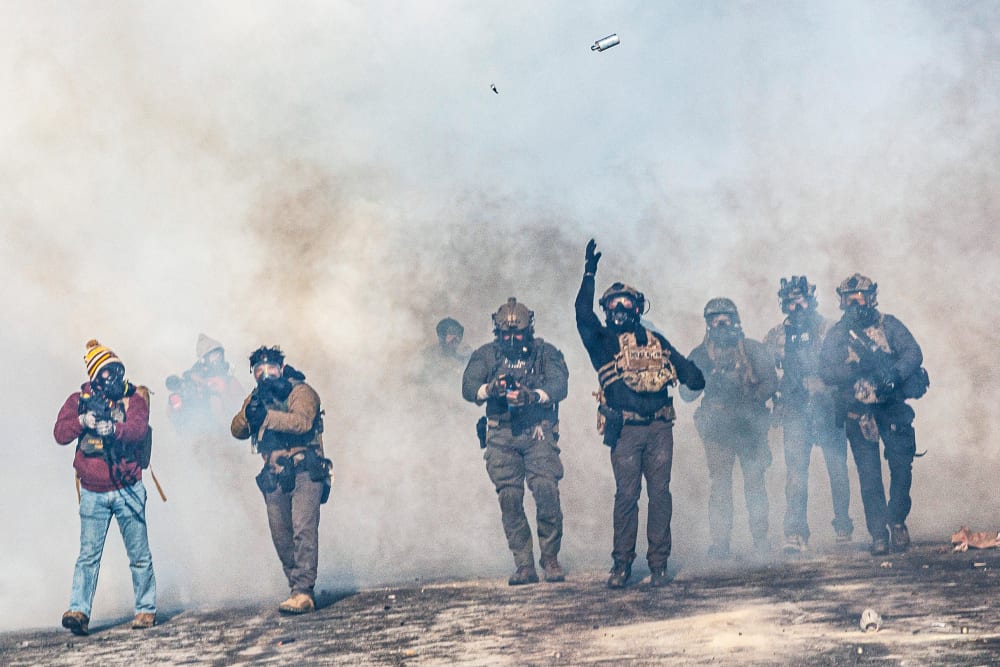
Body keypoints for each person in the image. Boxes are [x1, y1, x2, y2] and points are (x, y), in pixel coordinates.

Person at [576, 240, 705, 588]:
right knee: (627, 497)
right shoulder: (600, 341)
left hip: (660, 427)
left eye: (626, 303)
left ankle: (659, 564)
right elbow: (581, 315)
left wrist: (694, 372)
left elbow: (691, 375)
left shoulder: (655, 341)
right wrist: (589, 274)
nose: (619, 308)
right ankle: (622, 566)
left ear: (637, 307)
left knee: (660, 495)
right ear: (606, 309)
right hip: (626, 431)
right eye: (613, 303)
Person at [462, 297, 569, 585]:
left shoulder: (546, 353)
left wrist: (533, 396)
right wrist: (491, 389)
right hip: (501, 433)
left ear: (529, 330)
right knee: (509, 498)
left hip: (537, 430)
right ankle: (524, 564)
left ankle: (550, 558)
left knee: (546, 490)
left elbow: (560, 385)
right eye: (506, 334)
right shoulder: (485, 355)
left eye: (518, 333)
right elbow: (468, 387)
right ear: (497, 332)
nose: (512, 338)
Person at [53, 340, 156, 635]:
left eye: (117, 371)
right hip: (92, 492)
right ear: (96, 376)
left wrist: (114, 429)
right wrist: (82, 422)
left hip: (128, 488)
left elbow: (137, 430)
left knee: (139, 554)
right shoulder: (78, 401)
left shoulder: (133, 398)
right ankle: (79, 610)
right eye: (108, 372)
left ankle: (146, 609)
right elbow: (59, 434)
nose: (115, 377)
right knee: (88, 556)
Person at [819, 274, 926, 556]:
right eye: (848, 299)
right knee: (869, 476)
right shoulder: (838, 334)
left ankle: (897, 520)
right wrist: (854, 371)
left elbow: (913, 353)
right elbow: (826, 370)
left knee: (902, 467)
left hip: (891, 406)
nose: (855, 304)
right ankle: (878, 534)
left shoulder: (888, 325)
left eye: (860, 297)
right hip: (859, 411)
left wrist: (894, 374)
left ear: (872, 297)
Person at [231, 346, 332, 613]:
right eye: (259, 371)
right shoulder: (257, 397)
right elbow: (237, 430)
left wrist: (267, 417)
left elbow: (302, 422)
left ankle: (303, 591)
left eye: (271, 368)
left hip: (304, 470)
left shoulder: (301, 391)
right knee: (281, 536)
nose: (266, 375)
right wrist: (249, 414)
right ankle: (294, 585)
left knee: (303, 529)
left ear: (282, 368)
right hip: (274, 474)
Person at [681, 298, 778, 560]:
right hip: (717, 431)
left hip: (749, 428)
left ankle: (760, 540)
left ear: (735, 320)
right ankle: (721, 544)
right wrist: (703, 376)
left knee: (755, 485)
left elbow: (770, 382)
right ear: (708, 324)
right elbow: (686, 394)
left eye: (726, 318)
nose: (721, 324)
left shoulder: (753, 349)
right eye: (715, 319)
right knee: (721, 488)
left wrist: (750, 399)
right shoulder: (701, 354)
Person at [763, 276, 853, 554]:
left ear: (810, 300)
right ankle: (795, 532)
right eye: (789, 302)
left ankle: (842, 524)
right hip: (795, 411)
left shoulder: (829, 329)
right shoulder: (776, 335)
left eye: (799, 300)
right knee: (795, 474)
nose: (795, 306)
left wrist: (824, 385)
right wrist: (777, 396)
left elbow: (847, 364)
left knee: (837, 469)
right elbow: (766, 371)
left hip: (827, 409)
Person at [166, 334, 245, 437]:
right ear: (203, 359)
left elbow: (242, 409)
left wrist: (224, 392)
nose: (217, 359)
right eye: (213, 356)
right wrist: (176, 407)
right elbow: (176, 419)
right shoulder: (190, 383)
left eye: (219, 355)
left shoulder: (229, 381)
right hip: (199, 441)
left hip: (227, 437)